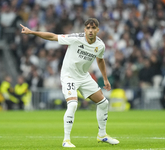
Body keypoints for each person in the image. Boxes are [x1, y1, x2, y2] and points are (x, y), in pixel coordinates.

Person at [20, 18, 119, 147]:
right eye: (88, 28)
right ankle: (66, 140)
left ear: (97, 30)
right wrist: (32, 32)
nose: (90, 30)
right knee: (72, 105)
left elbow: (100, 60)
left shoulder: (100, 45)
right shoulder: (76, 38)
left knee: (104, 103)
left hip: (84, 77)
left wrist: (105, 79)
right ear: (84, 30)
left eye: (93, 28)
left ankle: (102, 135)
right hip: (69, 76)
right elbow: (53, 37)